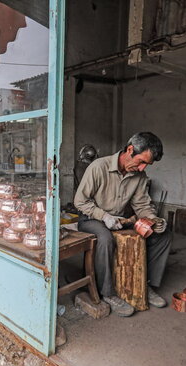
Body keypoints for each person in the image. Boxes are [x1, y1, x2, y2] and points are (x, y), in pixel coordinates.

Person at [74, 132, 171, 317]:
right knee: (105, 239)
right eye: (141, 161)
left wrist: (153, 220)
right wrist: (103, 216)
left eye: (147, 165)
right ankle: (108, 293)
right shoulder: (98, 167)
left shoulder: (140, 176)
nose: (142, 168)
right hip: (91, 218)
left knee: (163, 235)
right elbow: (80, 202)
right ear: (130, 150)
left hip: (120, 220)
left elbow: (142, 205)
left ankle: (144, 283)